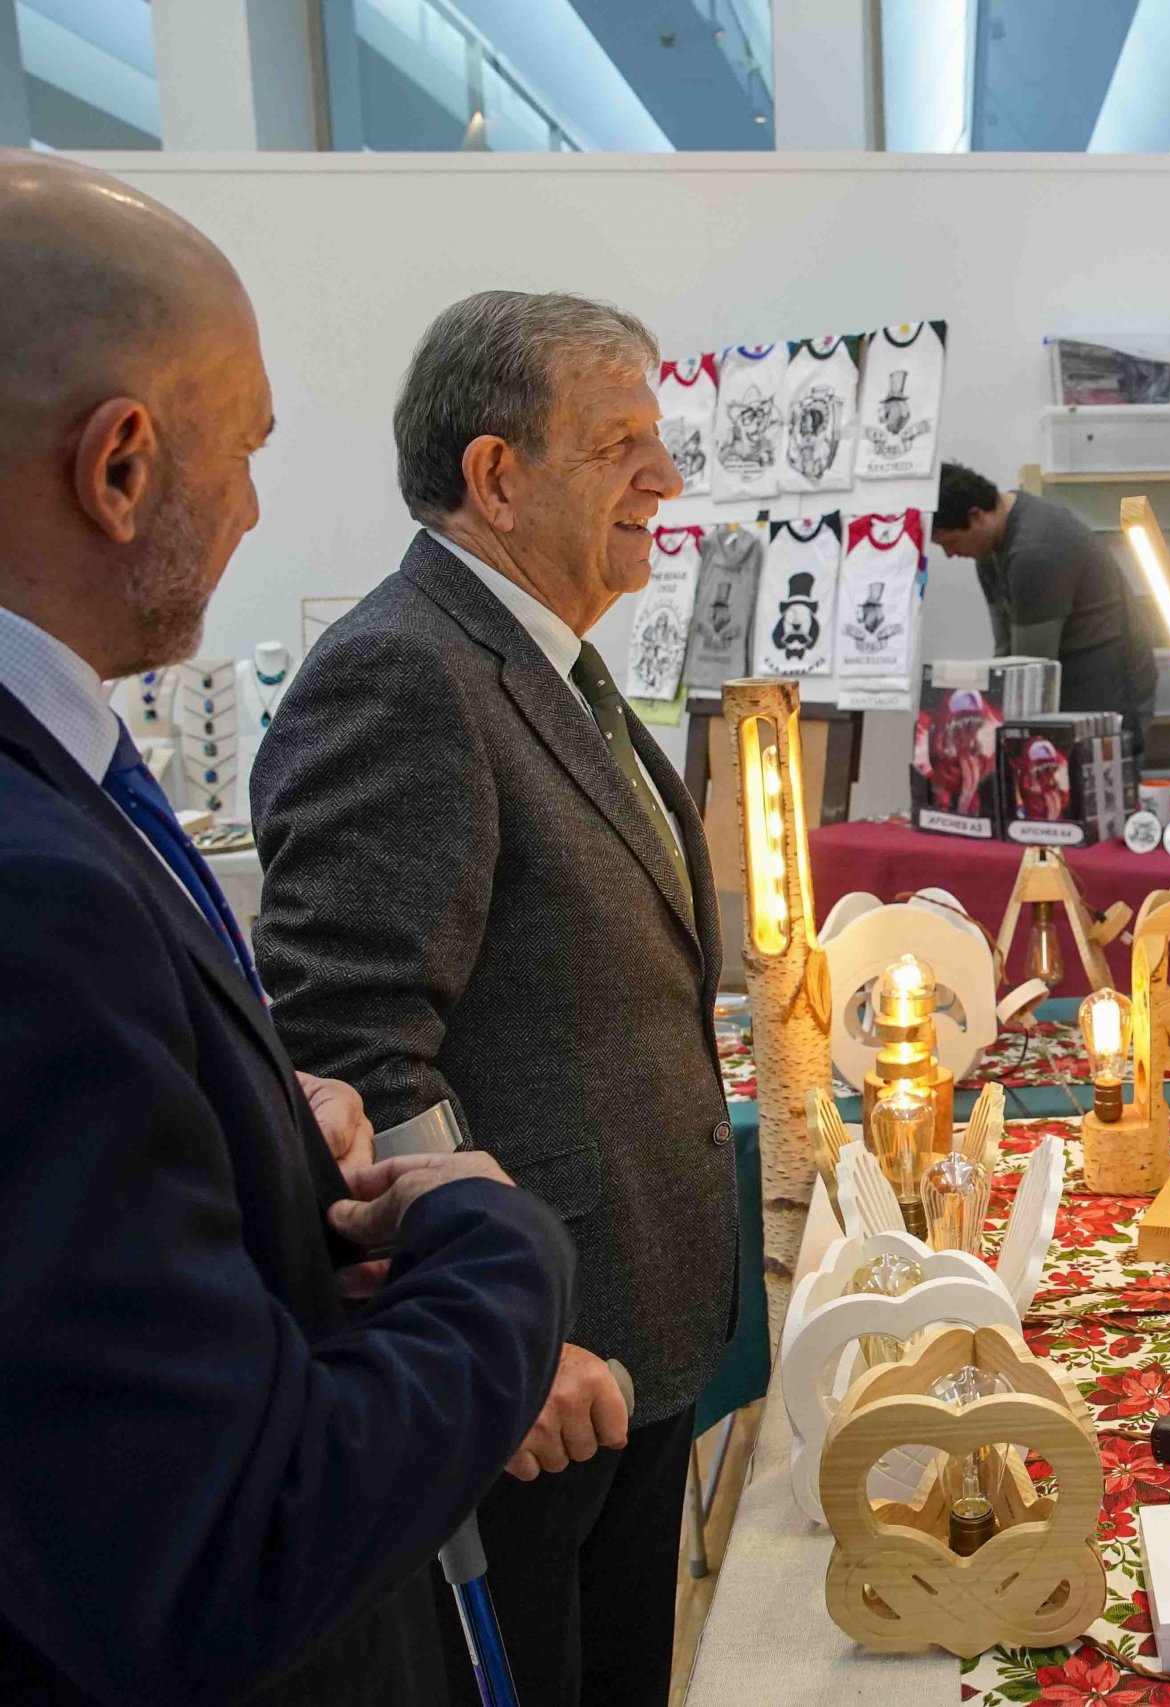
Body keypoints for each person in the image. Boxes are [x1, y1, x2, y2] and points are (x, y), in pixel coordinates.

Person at [0, 154, 572, 1706]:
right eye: (241, 451)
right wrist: (495, 1242)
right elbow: (220, 1541)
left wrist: (251, 1133)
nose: (256, 504)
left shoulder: (61, 779)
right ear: (120, 466)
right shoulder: (35, 884)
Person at [253, 291, 737, 1707]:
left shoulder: (548, 662)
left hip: (626, 1340)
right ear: (497, 473)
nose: (667, 477)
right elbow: (347, 1046)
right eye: (624, 444)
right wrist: (494, 1328)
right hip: (536, 1378)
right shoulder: (408, 669)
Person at [930, 461, 1157, 767]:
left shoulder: (1033, 553)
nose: (950, 554)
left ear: (976, 516)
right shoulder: (987, 551)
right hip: (1066, 668)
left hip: (1104, 671)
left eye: (951, 542)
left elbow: (1030, 671)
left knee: (1101, 783)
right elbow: (1004, 655)